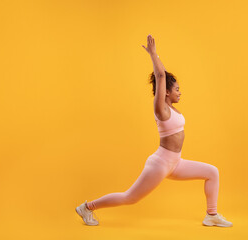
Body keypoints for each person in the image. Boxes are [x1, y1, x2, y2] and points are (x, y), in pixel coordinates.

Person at [75, 35, 233, 227]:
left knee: (212, 172)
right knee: (130, 197)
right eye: (177, 89)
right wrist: (153, 54)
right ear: (166, 91)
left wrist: (162, 68)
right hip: (160, 163)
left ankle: (212, 215)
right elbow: (160, 76)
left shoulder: (172, 108)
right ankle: (87, 207)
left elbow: (163, 76)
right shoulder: (161, 108)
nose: (180, 92)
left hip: (175, 162)